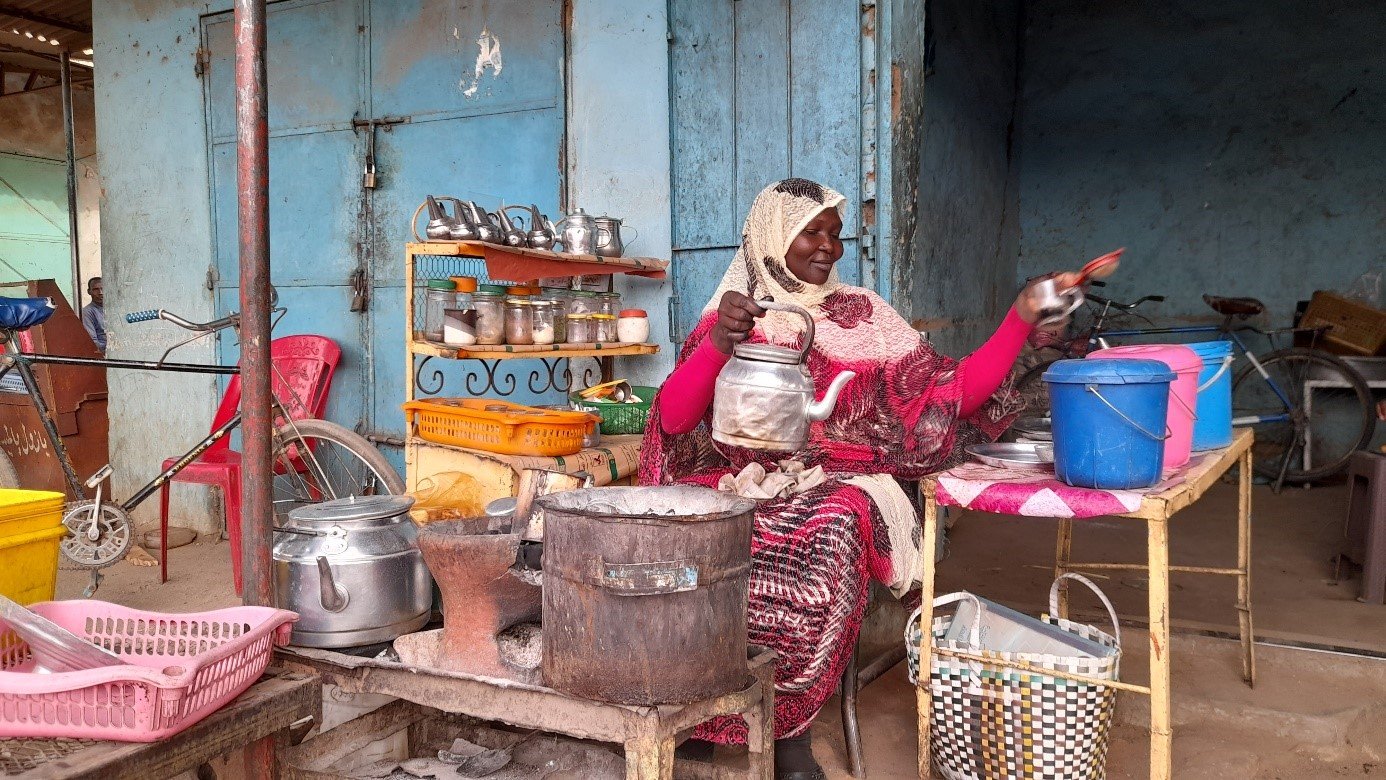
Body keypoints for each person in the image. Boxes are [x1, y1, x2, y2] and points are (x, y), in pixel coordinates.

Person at [639, 179, 1078, 779]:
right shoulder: (735, 315)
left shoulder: (867, 317)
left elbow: (951, 395)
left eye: (835, 236)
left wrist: (1020, 318)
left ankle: (788, 727)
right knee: (688, 529)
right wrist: (717, 344)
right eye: (809, 233)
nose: (827, 248)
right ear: (771, 238)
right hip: (733, 481)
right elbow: (675, 420)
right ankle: (694, 708)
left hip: (835, 482)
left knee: (833, 523)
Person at [81, 277, 106, 353]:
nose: (100, 292)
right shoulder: (87, 312)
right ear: (89, 292)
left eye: (103, 288)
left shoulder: (114, 309)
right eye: (96, 289)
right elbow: (92, 342)